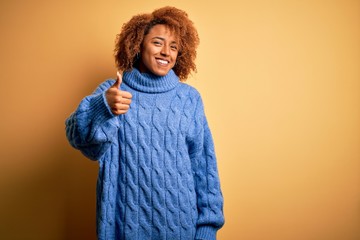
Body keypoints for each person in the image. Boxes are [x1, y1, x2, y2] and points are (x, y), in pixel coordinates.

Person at [65, 6, 224, 240]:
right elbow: (79, 138)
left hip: (182, 228)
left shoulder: (189, 98)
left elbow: (204, 167)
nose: (166, 53)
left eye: (174, 47)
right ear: (138, 44)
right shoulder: (113, 93)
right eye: (158, 43)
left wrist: (208, 228)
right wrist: (103, 107)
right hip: (125, 227)